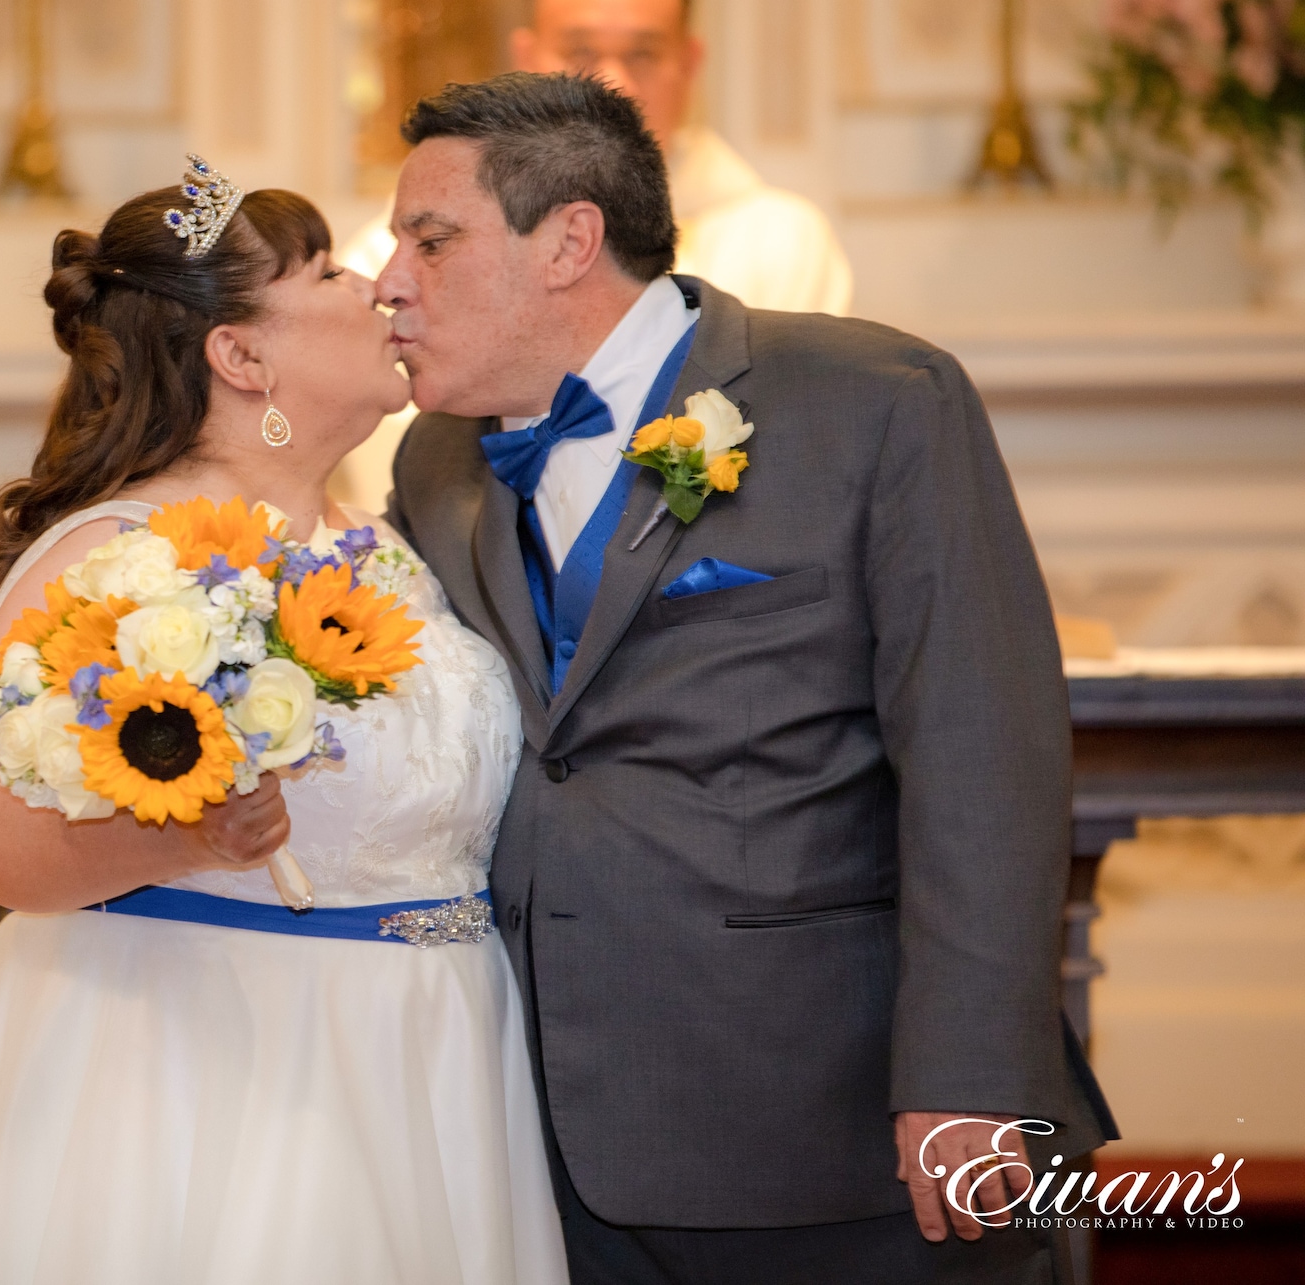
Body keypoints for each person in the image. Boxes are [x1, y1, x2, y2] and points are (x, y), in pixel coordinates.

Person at [379, 72, 1116, 1283]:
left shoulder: (873, 404)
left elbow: (981, 754)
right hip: (534, 1134)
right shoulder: (436, 458)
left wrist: (970, 1083)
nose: (389, 279)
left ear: (569, 239)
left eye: (431, 239)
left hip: (832, 1124)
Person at [0, 160, 570, 1283]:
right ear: (239, 356)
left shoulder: (393, 538)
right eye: (331, 270)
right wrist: (190, 833)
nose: (380, 289)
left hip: (436, 1056)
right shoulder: (113, 557)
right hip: (213, 1070)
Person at [338, 0, 852, 510]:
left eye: (644, 53)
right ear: (527, 57)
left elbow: (792, 451)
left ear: (689, 61)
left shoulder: (777, 238)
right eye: (580, 52)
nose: (613, 82)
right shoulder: (403, 249)